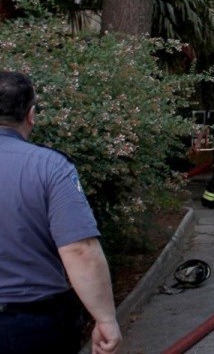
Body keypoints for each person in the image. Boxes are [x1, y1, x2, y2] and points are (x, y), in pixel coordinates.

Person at [0, 71, 122, 354]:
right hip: (33, 326)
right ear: (31, 115)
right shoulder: (51, 168)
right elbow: (80, 250)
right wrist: (105, 318)